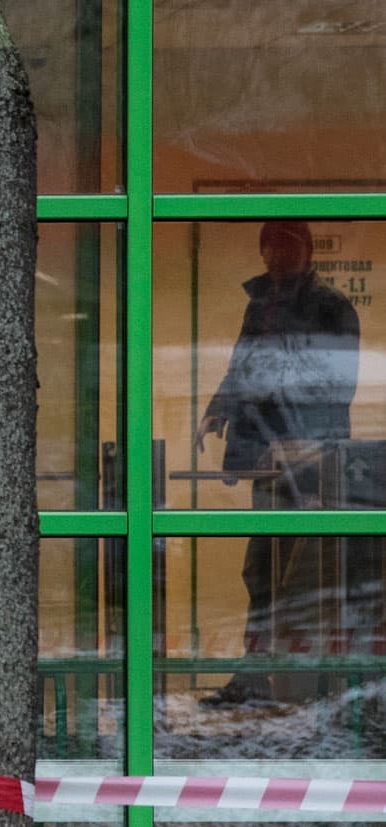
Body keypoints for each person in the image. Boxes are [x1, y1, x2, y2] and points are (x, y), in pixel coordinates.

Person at [195, 220, 361, 704]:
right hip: (270, 458)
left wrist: (307, 442)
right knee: (263, 568)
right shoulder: (261, 305)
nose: (276, 256)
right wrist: (218, 409)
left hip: (313, 465)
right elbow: (242, 365)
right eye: (270, 247)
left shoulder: (331, 307)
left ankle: (318, 686)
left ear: (306, 252)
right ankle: (256, 677)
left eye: (286, 246)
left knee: (310, 575)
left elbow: (337, 385)